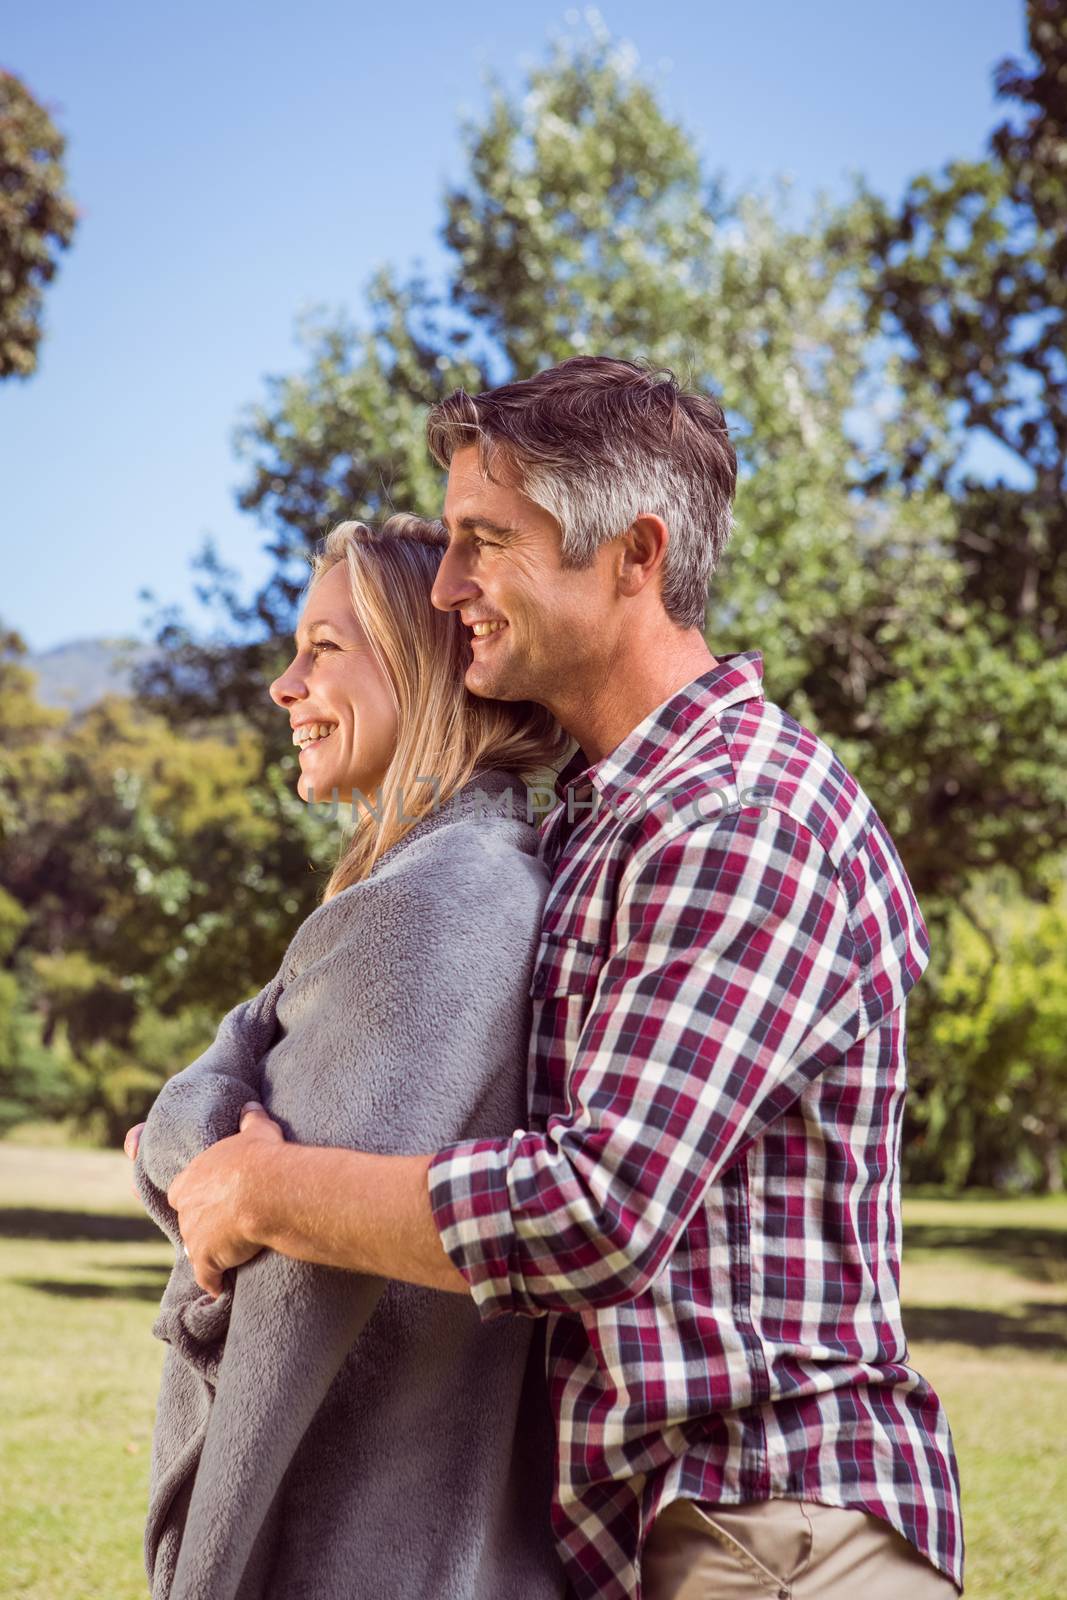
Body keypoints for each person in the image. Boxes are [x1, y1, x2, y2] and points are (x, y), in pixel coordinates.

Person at [152, 358, 965, 1600]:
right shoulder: (596, 826)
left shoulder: (736, 818)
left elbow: (597, 1210)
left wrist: (267, 1188)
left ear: (632, 555)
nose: (445, 585)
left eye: (484, 540)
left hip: (774, 1528)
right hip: (660, 1533)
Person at [125, 514, 570, 1600]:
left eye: (324, 648)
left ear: (421, 666)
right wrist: (192, 1140)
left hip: (356, 1552)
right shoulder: (447, 883)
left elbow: (288, 1290)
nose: (285, 685)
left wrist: (207, 1571)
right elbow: (224, 1113)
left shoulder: (428, 907)